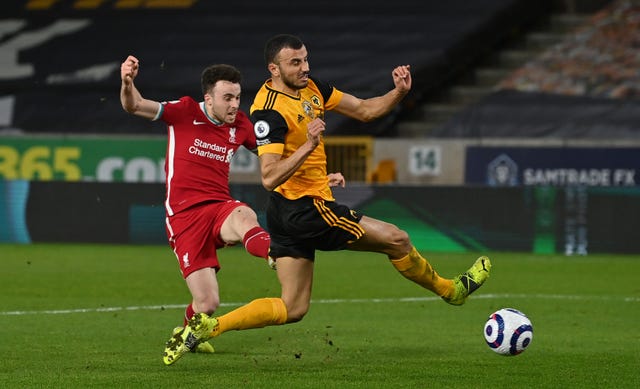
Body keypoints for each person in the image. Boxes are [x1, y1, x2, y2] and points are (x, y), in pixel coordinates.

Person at [163, 34, 491, 364]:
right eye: (295, 63)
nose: (305, 67)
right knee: (398, 239)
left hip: (290, 209)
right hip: (305, 209)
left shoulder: (312, 87)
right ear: (274, 69)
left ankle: (209, 327)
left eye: (305, 59)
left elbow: (363, 110)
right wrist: (308, 146)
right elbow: (268, 176)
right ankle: (452, 291)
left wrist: (399, 93)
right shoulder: (268, 112)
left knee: (293, 307)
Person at [119, 55, 272, 365]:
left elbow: (273, 159)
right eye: (227, 97)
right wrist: (127, 83)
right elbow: (134, 105)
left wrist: (320, 175)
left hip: (219, 207)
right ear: (208, 98)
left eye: (238, 97)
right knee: (208, 302)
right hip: (184, 217)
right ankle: (189, 332)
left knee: (245, 216)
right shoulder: (184, 111)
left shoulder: (241, 124)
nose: (234, 104)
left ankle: (276, 252)